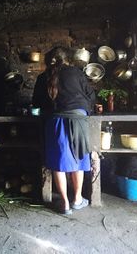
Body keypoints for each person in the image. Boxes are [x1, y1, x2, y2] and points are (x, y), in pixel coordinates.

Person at [33, 46, 96, 214]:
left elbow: (36, 104)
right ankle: (77, 199)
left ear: (48, 62)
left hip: (55, 122)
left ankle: (65, 204)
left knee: (58, 163)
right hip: (79, 120)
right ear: (67, 59)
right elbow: (91, 96)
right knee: (79, 160)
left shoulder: (42, 77)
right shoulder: (76, 72)